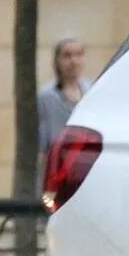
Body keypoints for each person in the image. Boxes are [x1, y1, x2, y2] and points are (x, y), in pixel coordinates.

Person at [37, 38, 89, 184]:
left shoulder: (91, 92)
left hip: (85, 166)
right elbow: (42, 143)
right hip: (56, 169)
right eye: (67, 56)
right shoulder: (47, 96)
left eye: (79, 55)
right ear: (57, 61)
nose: (74, 61)